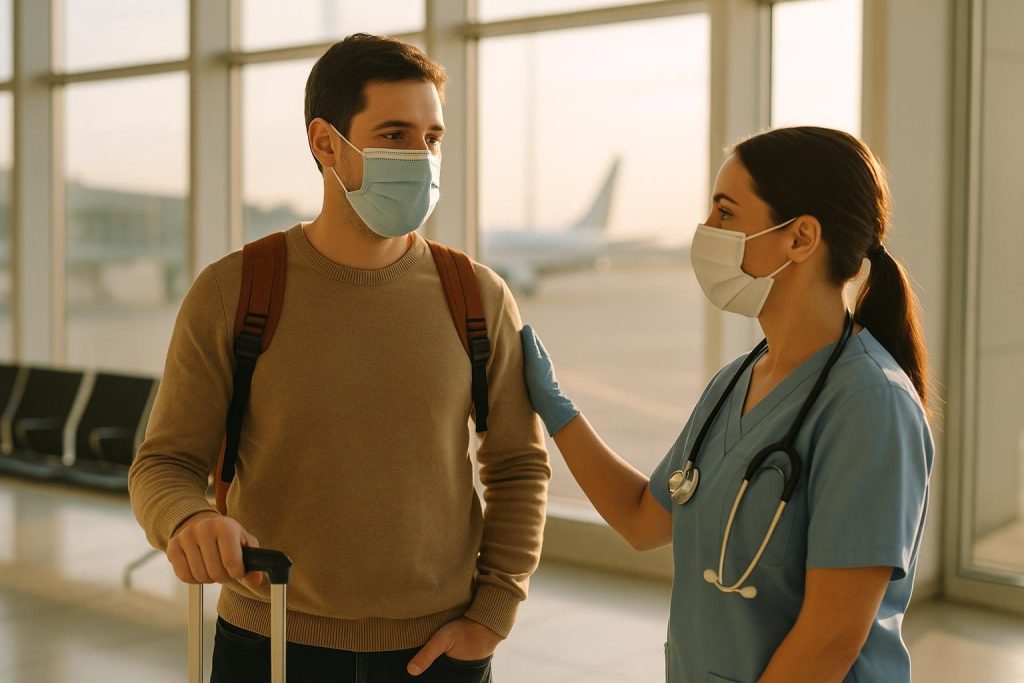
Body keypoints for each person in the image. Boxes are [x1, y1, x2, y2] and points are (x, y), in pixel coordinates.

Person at [129, 33, 550, 683]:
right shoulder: (234, 290)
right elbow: (163, 462)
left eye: (431, 138)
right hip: (266, 639)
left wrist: (493, 612)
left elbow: (519, 466)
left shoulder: (477, 295)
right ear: (326, 143)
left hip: (436, 651)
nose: (421, 157)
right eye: (394, 135)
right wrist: (187, 517)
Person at [522, 126, 933, 682]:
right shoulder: (736, 381)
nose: (705, 231)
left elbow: (830, 640)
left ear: (800, 238)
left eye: (724, 212)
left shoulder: (871, 405)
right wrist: (557, 409)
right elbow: (644, 519)